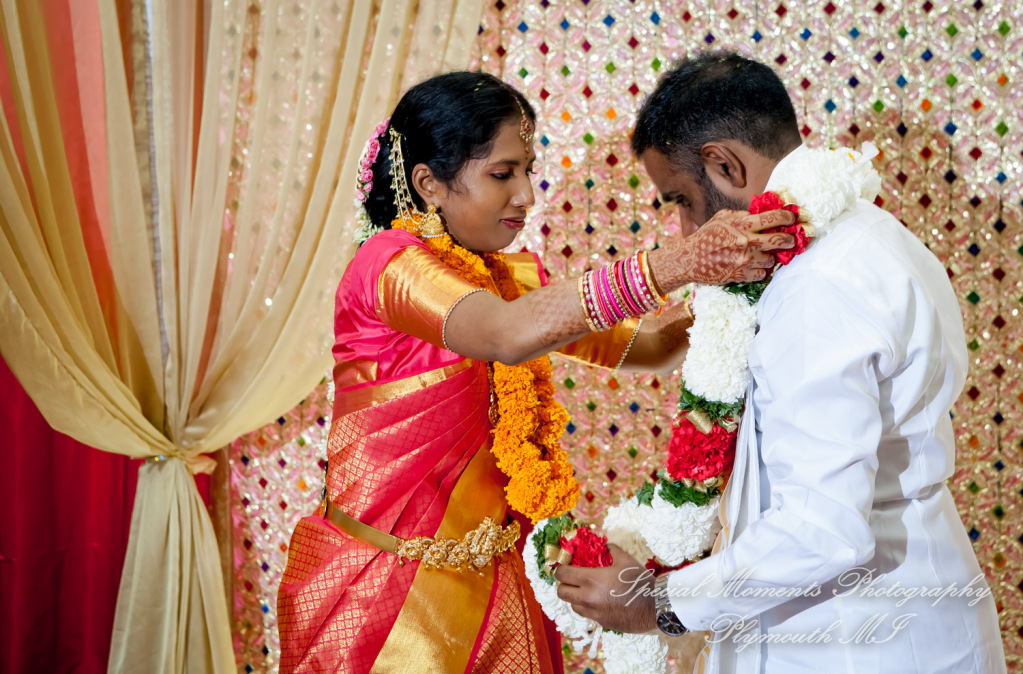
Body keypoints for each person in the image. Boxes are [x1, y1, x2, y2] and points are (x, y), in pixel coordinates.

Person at [275, 71, 796, 673]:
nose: (526, 195)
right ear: (429, 184)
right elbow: (506, 334)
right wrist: (680, 261)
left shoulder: (504, 278)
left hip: (499, 589)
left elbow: (652, 347)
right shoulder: (389, 265)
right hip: (387, 593)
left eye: (527, 170)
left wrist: (742, 281)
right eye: (503, 174)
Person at [553, 52, 1007, 673]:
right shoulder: (867, 234)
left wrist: (656, 602)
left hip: (861, 637)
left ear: (725, 164)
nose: (684, 230)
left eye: (681, 199)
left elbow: (824, 529)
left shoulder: (816, 284)